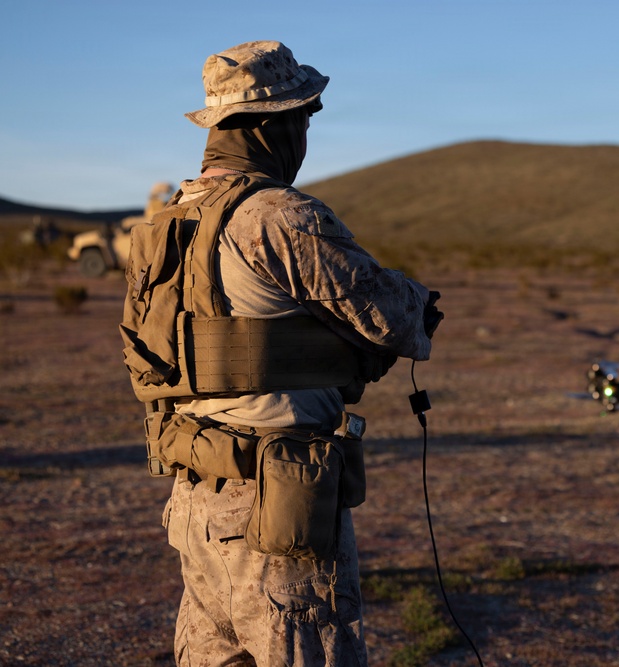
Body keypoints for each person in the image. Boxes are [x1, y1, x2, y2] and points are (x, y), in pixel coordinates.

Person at [134, 41, 440, 665]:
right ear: (274, 123)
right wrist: (416, 294)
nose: (306, 132)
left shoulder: (167, 222)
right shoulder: (278, 215)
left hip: (196, 500)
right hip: (276, 513)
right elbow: (395, 319)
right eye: (305, 116)